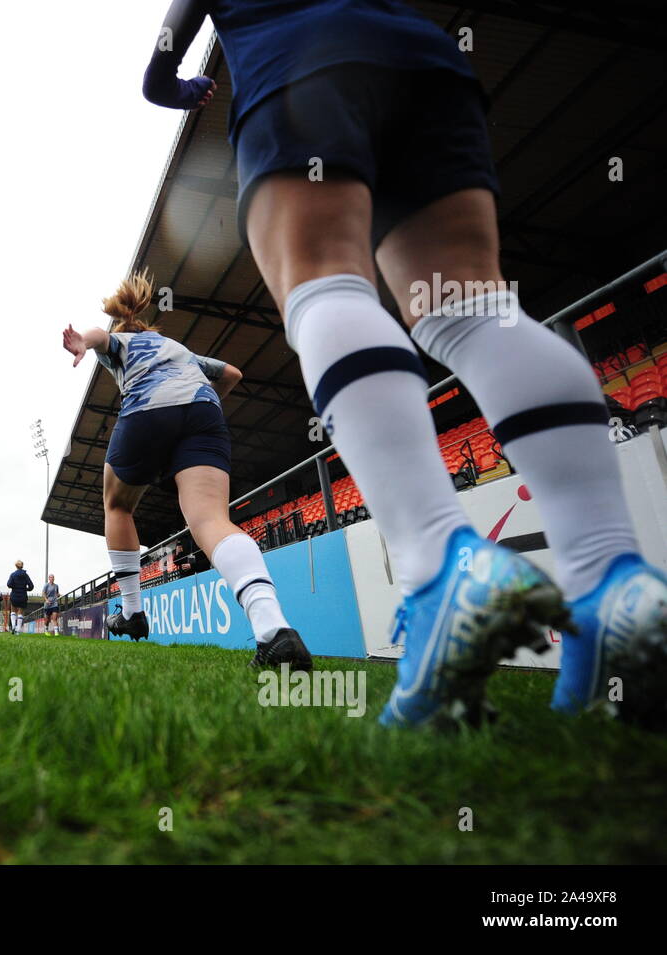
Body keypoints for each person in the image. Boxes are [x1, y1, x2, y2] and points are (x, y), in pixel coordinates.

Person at [143, 0, 664, 729]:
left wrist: (175, 87)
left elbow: (168, 46)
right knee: (470, 306)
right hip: (422, 60)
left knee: (323, 281)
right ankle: (614, 583)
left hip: (296, 65)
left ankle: (438, 568)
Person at [63, 269, 311, 670]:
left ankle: (132, 611)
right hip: (203, 411)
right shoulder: (179, 350)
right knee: (212, 520)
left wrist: (82, 344)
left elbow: (99, 336)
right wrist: (199, 408)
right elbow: (232, 374)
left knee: (118, 505)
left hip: (148, 407)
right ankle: (274, 631)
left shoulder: (125, 341)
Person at [6, 560, 34, 633]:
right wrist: (26, 589)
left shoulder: (13, 574)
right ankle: (18, 629)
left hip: (14, 595)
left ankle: (13, 626)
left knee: (13, 610)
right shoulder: (25, 575)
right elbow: (31, 586)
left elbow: (9, 584)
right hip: (23, 595)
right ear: (22, 566)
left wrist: (14, 587)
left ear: (16, 566)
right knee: (20, 612)